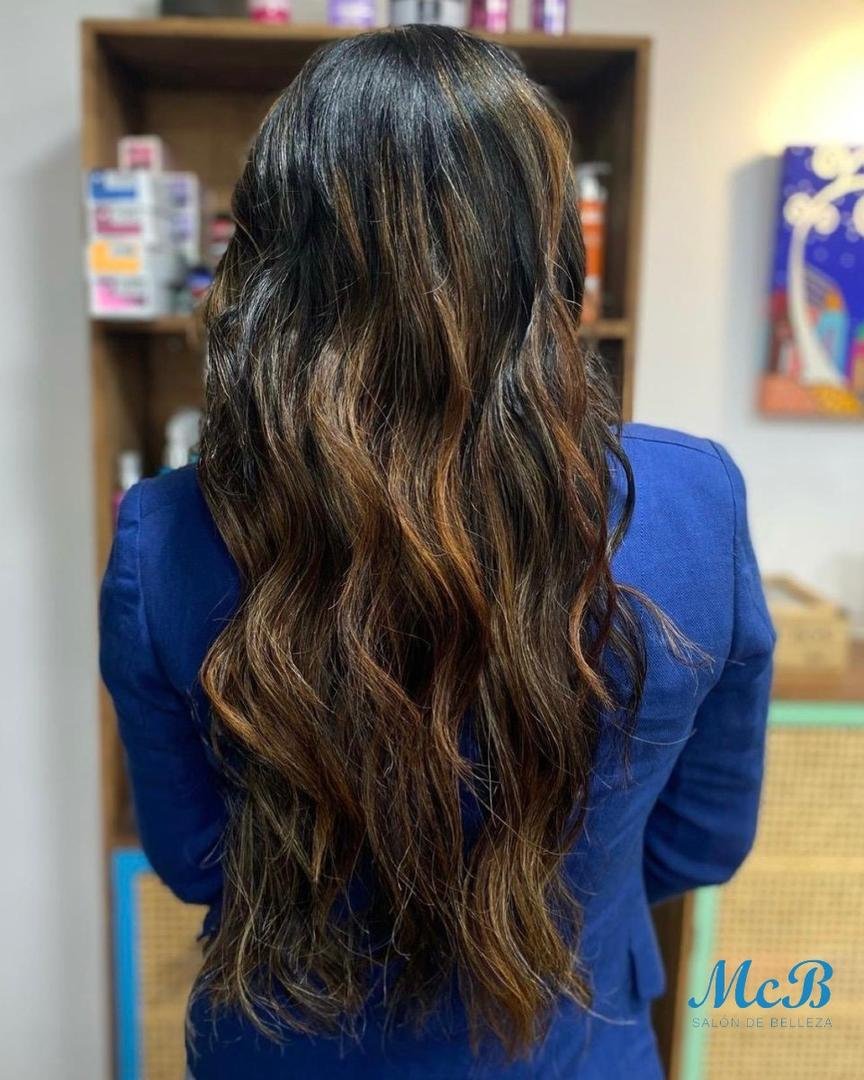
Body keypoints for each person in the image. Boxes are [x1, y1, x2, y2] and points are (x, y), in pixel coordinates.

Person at [99, 25, 775, 1080]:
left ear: (272, 262)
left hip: (288, 1047)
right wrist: (566, 895)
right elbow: (703, 841)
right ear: (547, 248)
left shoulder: (165, 531)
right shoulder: (692, 503)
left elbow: (193, 862)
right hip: (572, 1040)